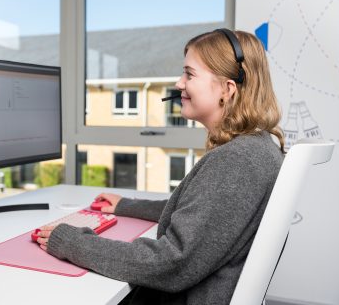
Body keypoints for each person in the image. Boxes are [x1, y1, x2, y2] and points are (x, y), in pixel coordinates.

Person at [36, 29, 285, 305]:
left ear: (227, 89)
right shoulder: (256, 148)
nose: (179, 83)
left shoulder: (238, 161)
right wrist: (126, 206)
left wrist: (73, 243)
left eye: (189, 75)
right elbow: (202, 214)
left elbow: (170, 263)